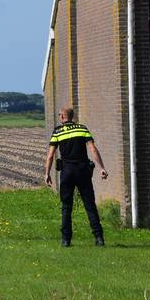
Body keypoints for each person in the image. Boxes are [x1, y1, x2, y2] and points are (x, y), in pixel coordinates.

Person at [44, 106, 108, 247]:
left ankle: (66, 240)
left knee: (66, 206)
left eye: (60, 115)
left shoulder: (57, 132)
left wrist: (47, 173)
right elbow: (93, 149)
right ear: (72, 116)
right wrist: (102, 168)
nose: (59, 117)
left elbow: (50, 156)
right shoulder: (82, 129)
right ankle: (99, 238)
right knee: (90, 204)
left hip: (67, 172)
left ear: (62, 116)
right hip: (83, 171)